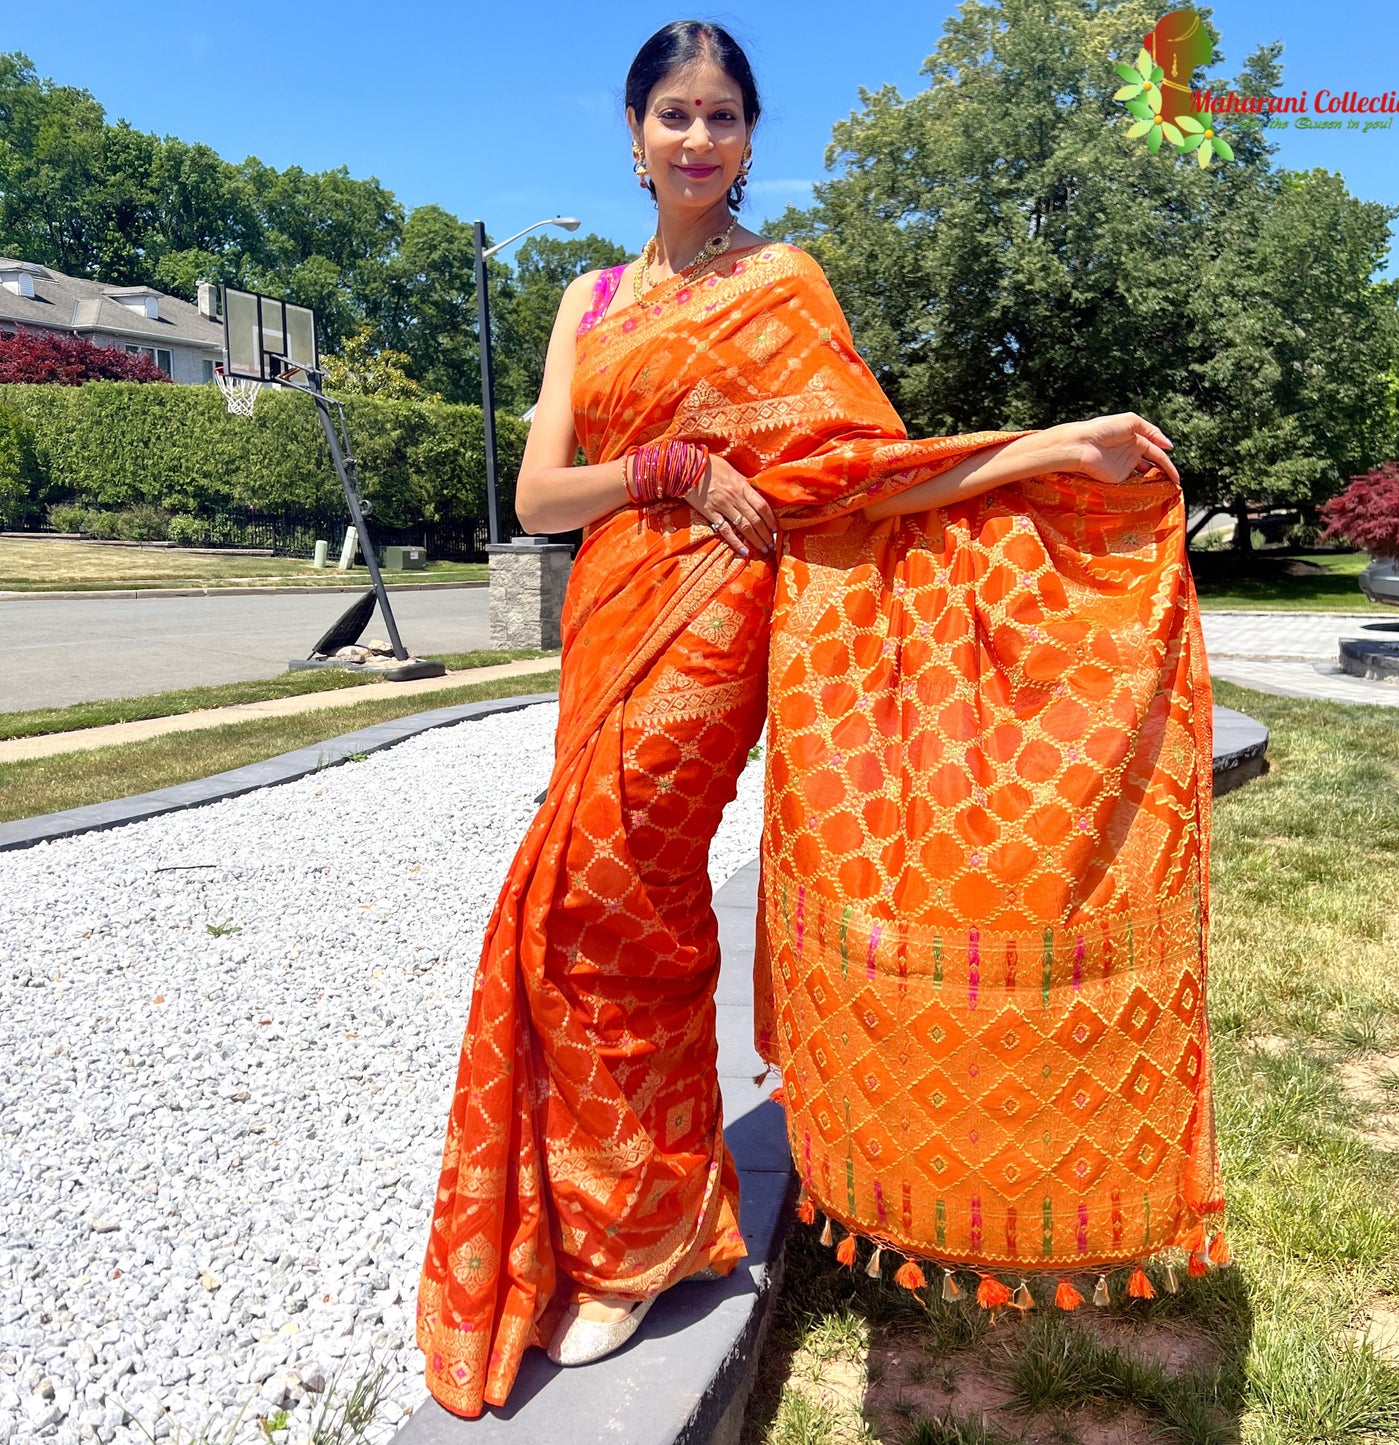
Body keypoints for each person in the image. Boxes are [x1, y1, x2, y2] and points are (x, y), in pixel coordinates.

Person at [415, 18, 1222, 1417]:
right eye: (673, 112)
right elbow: (542, 499)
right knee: (608, 915)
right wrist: (663, 462)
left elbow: (850, 477)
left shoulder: (779, 282)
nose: (697, 138)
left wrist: (1034, 449)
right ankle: (640, 1220)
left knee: (608, 903)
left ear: (746, 139)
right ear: (630, 132)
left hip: (720, 618)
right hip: (607, 610)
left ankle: (628, 1241)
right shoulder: (588, 301)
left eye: (722, 115)